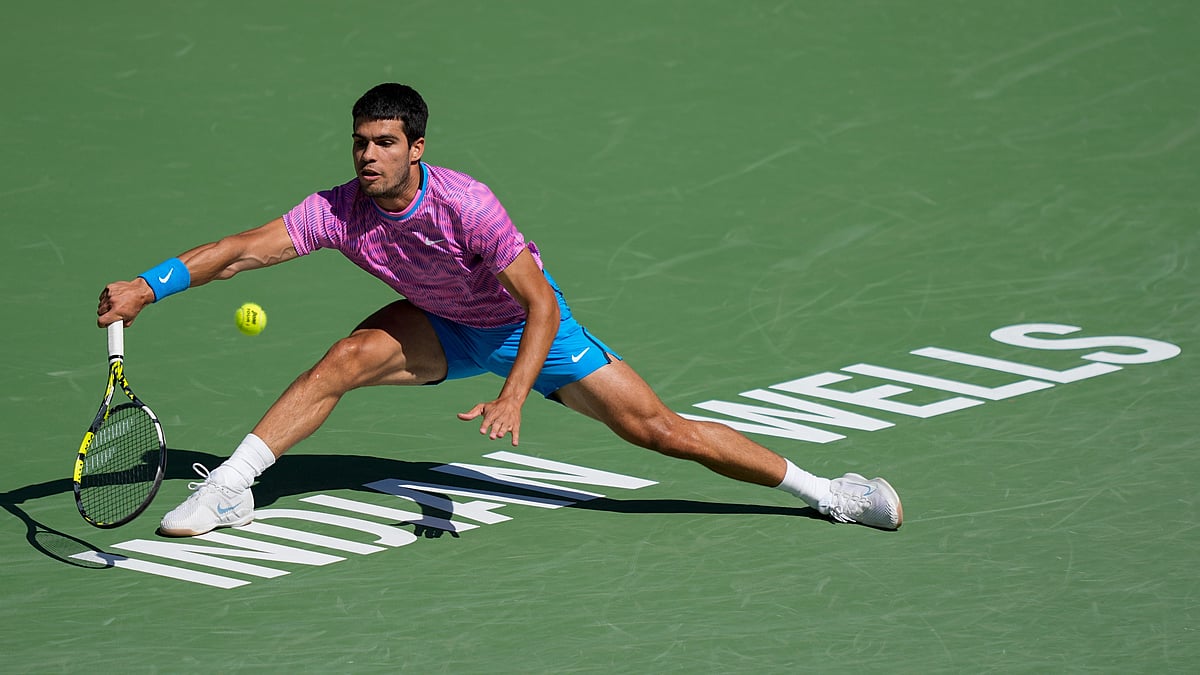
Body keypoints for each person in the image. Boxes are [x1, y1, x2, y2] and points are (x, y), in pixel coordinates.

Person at [97, 83, 902, 535]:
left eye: (383, 143)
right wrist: (147, 282)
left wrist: (517, 392)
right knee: (340, 360)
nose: (367, 156)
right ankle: (234, 486)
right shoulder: (339, 210)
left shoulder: (468, 207)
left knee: (660, 430)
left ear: (417, 147)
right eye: (359, 142)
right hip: (439, 327)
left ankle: (829, 490)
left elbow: (542, 305)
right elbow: (241, 248)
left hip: (526, 331)